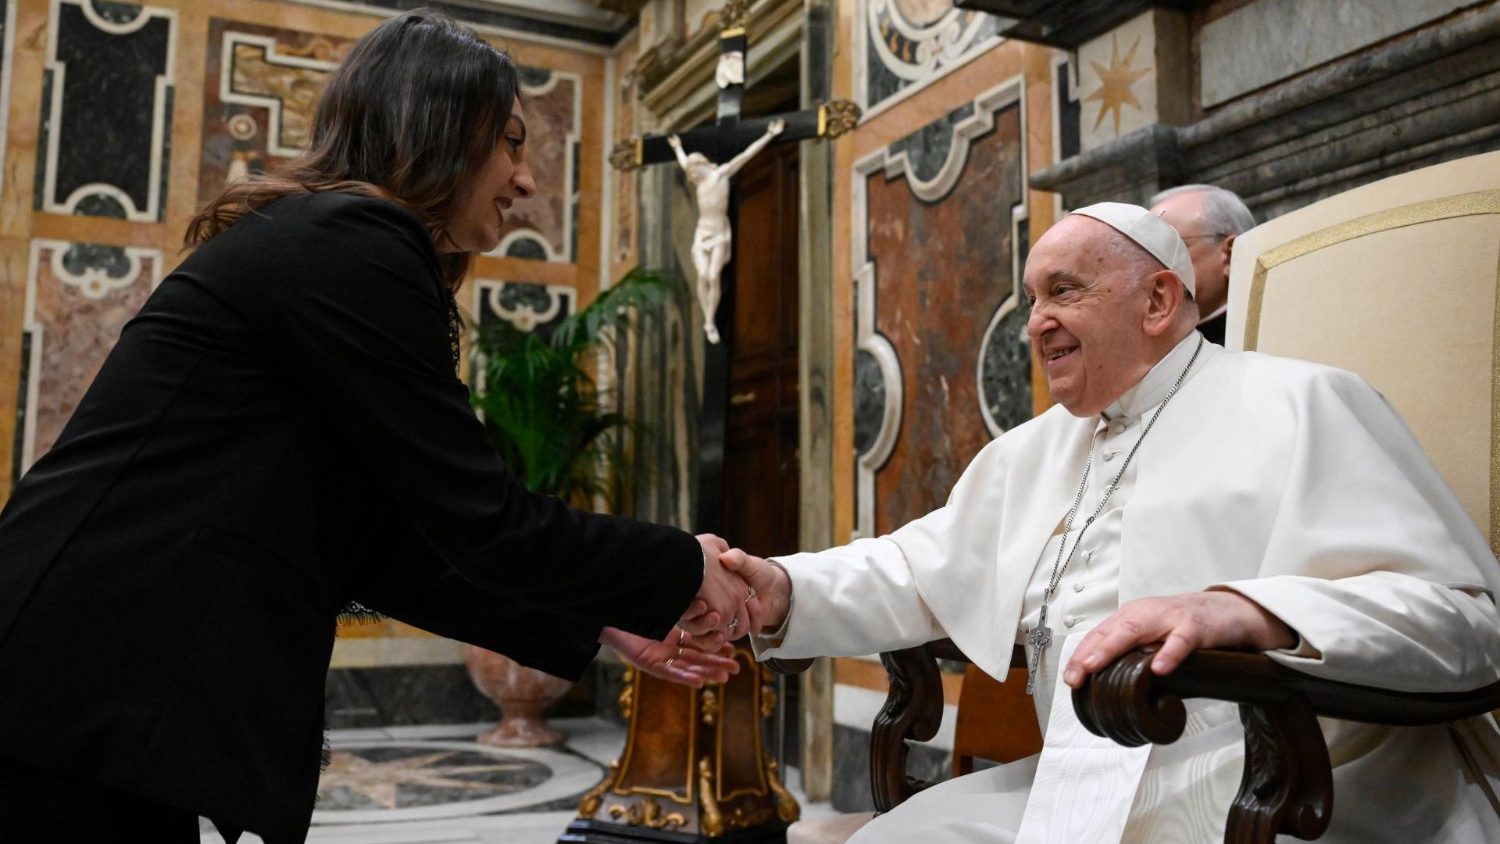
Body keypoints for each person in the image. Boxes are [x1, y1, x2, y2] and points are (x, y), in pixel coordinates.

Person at [0, 11, 753, 844]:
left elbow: (385, 550)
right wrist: (680, 564)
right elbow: (484, 521)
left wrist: (609, 615)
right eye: (509, 142)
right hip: (79, 679)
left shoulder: (325, 240)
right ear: (439, 126)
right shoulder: (351, 243)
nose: (527, 179)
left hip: (81, 681)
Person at [723, 202, 1500, 842]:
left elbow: (1467, 620)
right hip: (1082, 784)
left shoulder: (1305, 403)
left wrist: (1249, 611)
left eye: (1062, 292)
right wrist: (783, 588)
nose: (1035, 323)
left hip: (1294, 784)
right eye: (1032, 300)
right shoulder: (1029, 452)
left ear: (1158, 301)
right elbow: (915, 566)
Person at [667, 119, 784, 343]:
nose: (691, 176)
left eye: (693, 172)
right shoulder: (699, 181)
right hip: (702, 233)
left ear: (701, 165)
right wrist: (677, 148)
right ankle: (708, 319)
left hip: (720, 233)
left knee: (713, 276)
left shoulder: (720, 174)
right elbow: (683, 163)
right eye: (690, 173)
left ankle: (710, 320)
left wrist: (769, 135)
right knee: (702, 275)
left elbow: (746, 155)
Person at [1149, 184, 1256, 345]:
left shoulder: (1270, 341)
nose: (1150, 267)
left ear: (1230, 255)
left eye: (1170, 248)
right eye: (1146, 253)